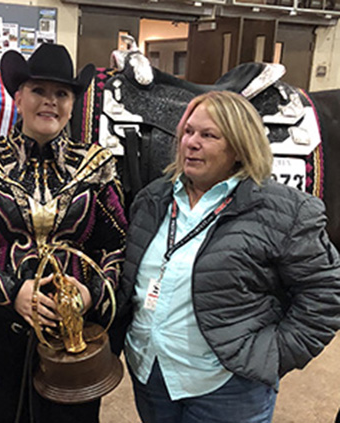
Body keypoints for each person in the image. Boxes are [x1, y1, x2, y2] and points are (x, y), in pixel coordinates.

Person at [115, 90, 340, 423]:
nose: (191, 142)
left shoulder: (287, 211)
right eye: (188, 132)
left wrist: (270, 356)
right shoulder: (153, 198)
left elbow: (324, 296)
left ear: (239, 147)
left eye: (208, 135)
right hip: (151, 374)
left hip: (227, 388)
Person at [0, 43, 127, 423]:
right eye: (39, 91)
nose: (50, 102)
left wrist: (89, 295)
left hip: (73, 339)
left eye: (62, 94)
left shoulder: (98, 165)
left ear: (73, 103)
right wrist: (12, 292)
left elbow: (117, 245)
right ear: (19, 96)